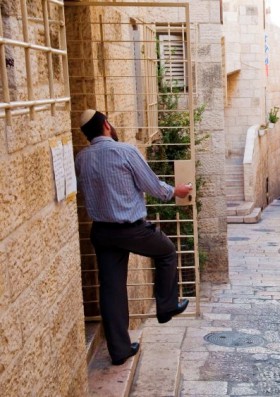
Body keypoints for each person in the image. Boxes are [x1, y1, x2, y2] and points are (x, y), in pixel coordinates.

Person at [75, 109, 192, 365]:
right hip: (131, 229)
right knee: (167, 252)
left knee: (111, 289)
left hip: (101, 232)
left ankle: (119, 350)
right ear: (106, 124)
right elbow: (153, 186)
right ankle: (167, 305)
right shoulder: (124, 151)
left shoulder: (81, 158)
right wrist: (177, 191)